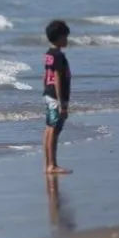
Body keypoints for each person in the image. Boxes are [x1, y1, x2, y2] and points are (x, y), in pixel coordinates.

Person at [42, 19, 73, 175]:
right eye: (65, 37)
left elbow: (45, 75)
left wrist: (46, 91)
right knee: (54, 130)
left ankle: (48, 164)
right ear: (59, 37)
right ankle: (52, 165)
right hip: (56, 97)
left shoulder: (49, 54)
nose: (67, 40)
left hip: (48, 94)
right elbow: (57, 78)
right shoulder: (58, 56)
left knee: (49, 129)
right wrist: (62, 104)